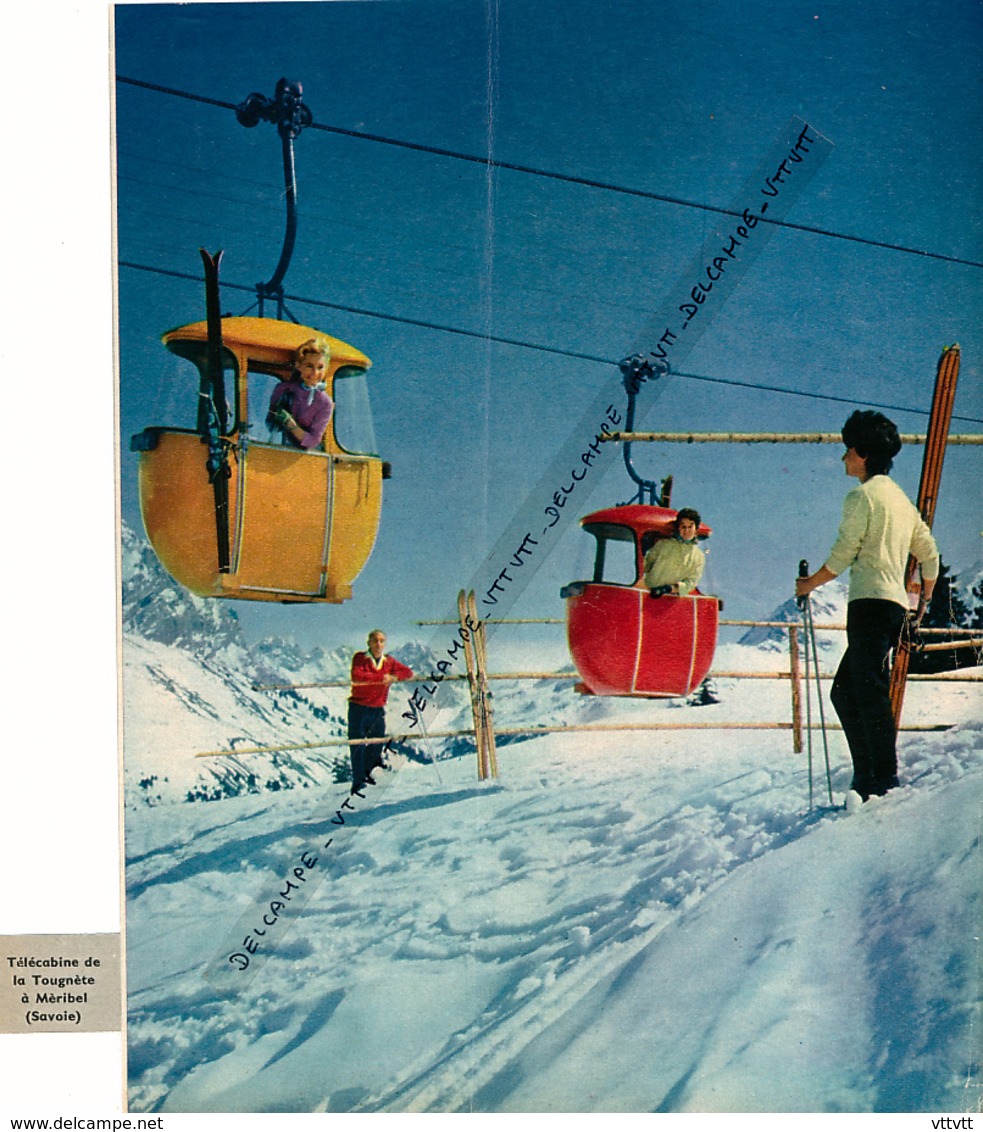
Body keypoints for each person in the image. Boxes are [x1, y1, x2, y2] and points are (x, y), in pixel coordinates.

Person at [796, 410, 939, 802]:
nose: (844, 458)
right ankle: (868, 777)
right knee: (847, 690)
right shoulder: (901, 501)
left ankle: (880, 780)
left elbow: (844, 554)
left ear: (861, 453)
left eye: (847, 451)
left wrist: (809, 583)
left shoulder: (861, 496)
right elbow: (930, 554)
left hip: (868, 604)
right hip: (892, 607)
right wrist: (922, 601)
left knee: (865, 689)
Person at [348, 630, 414, 792]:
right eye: (375, 641)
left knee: (377, 743)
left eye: (382, 641)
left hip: (377, 709)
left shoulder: (388, 661)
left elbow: (408, 672)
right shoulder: (360, 658)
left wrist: (394, 677)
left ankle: (367, 774)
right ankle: (358, 781)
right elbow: (357, 676)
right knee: (357, 745)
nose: (378, 644)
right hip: (359, 708)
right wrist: (382, 678)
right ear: (368, 642)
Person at [266, 338, 334, 450]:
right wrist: (277, 415)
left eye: (320, 367)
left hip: (306, 457)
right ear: (298, 365)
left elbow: (313, 441)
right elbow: (270, 424)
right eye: (309, 366)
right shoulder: (283, 389)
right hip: (279, 450)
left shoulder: (325, 403)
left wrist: (290, 424)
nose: (314, 373)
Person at [643, 508, 705, 597]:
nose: (686, 530)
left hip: (672, 600)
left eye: (690, 526)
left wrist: (670, 588)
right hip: (650, 594)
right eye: (683, 526)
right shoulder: (663, 545)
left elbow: (691, 582)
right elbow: (646, 565)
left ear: (696, 529)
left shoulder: (699, 556)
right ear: (678, 528)